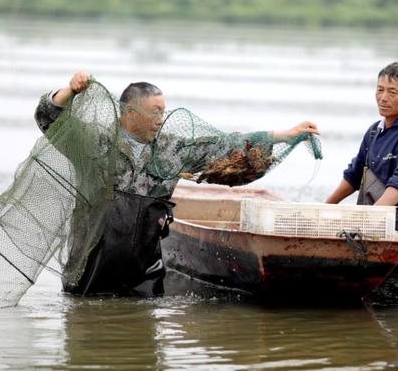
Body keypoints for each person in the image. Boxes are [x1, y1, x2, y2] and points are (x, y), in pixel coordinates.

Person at [35, 71, 320, 296]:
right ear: (130, 112)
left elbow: (224, 146)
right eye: (155, 112)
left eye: (163, 111)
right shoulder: (96, 143)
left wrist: (283, 136)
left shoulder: (171, 150)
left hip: (143, 271)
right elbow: (50, 120)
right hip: (90, 267)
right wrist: (70, 91)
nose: (162, 119)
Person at [325, 62, 398, 274]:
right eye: (380, 90)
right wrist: (323, 208)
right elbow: (354, 175)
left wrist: (367, 221)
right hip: (370, 251)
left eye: (392, 92)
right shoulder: (374, 131)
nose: (383, 97)